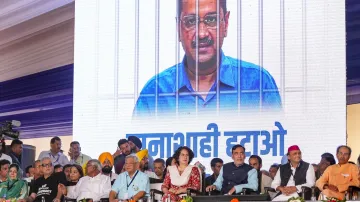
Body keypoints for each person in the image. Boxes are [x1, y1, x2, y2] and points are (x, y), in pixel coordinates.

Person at [133, 0, 281, 118]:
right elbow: (134, 154)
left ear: (226, 23)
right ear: (178, 27)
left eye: (211, 19)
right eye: (191, 21)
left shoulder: (258, 84)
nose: (202, 34)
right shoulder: (155, 93)